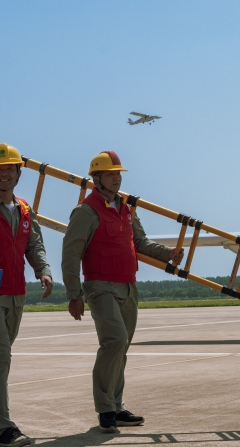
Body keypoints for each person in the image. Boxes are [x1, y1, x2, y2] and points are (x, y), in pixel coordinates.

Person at [61, 151, 184, 433]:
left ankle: (116, 406)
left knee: (122, 348)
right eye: (110, 173)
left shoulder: (126, 209)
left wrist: (168, 254)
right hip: (100, 287)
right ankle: (105, 409)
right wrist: (74, 294)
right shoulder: (86, 211)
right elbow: (70, 254)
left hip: (128, 287)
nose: (117, 177)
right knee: (114, 341)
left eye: (119, 173)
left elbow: (139, 242)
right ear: (97, 178)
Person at [0, 143, 54, 447]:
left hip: (16, 294)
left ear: (18, 173)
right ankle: (2, 428)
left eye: (9, 169)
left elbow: (35, 245)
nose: (4, 174)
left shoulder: (25, 210)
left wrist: (43, 270)